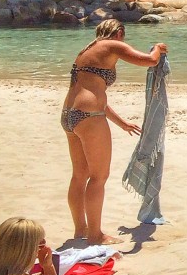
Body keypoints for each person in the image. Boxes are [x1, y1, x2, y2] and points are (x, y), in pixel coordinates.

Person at [62, 19, 168, 245]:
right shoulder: (111, 45)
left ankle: (81, 229)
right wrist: (158, 48)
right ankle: (95, 235)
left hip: (70, 116)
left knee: (79, 176)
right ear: (119, 32)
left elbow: (91, 93)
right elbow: (149, 61)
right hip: (89, 118)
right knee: (98, 178)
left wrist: (121, 123)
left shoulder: (87, 50)